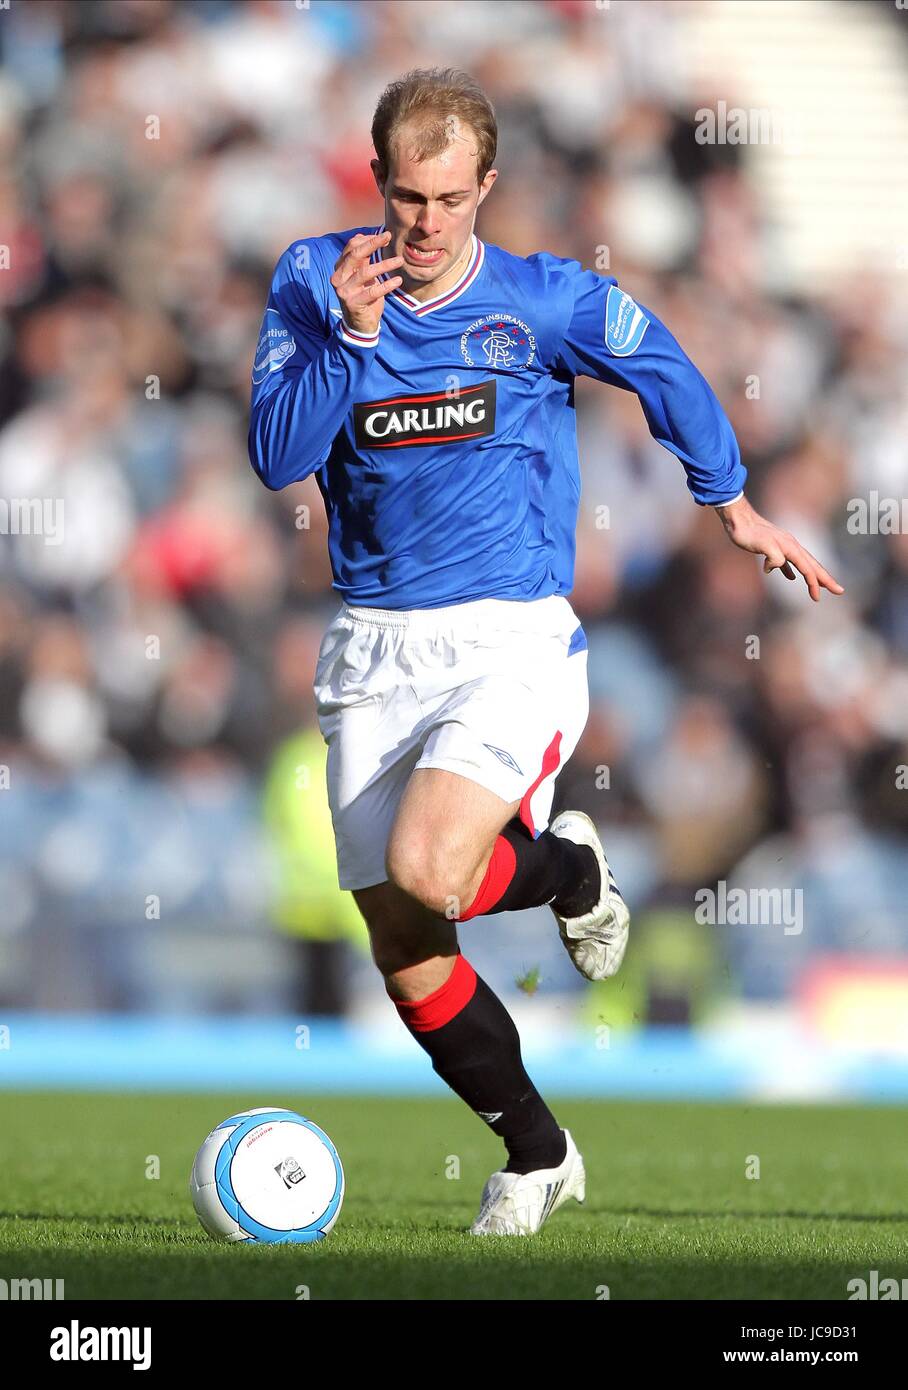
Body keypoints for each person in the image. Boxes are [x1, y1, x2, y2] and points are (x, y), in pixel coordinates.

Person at [248, 68, 843, 1236]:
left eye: (449, 199)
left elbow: (661, 362)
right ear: (376, 181)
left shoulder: (542, 300)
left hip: (506, 638)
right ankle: (537, 1150)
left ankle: (567, 871)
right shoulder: (316, 283)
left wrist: (726, 500)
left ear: (487, 188)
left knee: (429, 866)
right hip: (370, 647)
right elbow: (277, 455)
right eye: (405, 197)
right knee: (408, 944)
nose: (424, 225)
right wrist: (348, 341)